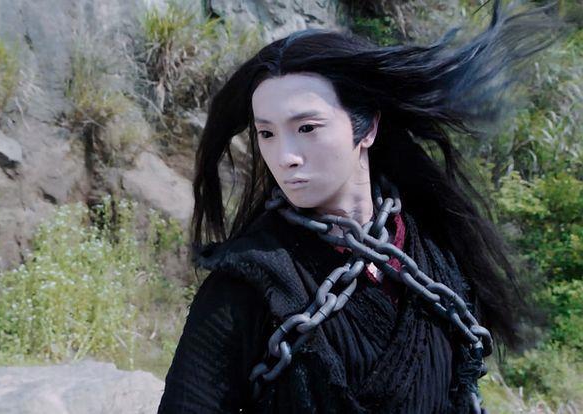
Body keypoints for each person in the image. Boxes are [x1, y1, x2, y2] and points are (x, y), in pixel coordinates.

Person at [158, 1, 562, 412]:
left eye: (307, 128)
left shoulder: (436, 257)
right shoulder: (243, 286)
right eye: (267, 133)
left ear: (367, 127)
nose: (285, 156)